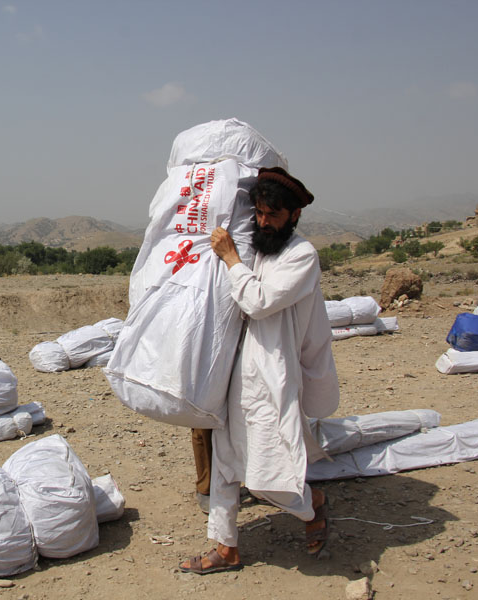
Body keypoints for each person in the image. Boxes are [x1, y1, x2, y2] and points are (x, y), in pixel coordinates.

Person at [180, 167, 340, 574]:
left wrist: (231, 258)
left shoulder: (301, 256)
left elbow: (258, 301)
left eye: (273, 215)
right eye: (260, 213)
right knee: (224, 462)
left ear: (295, 216)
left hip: (271, 376)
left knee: (267, 469)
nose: (264, 221)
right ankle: (225, 548)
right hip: (234, 371)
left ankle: (312, 504)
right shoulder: (259, 250)